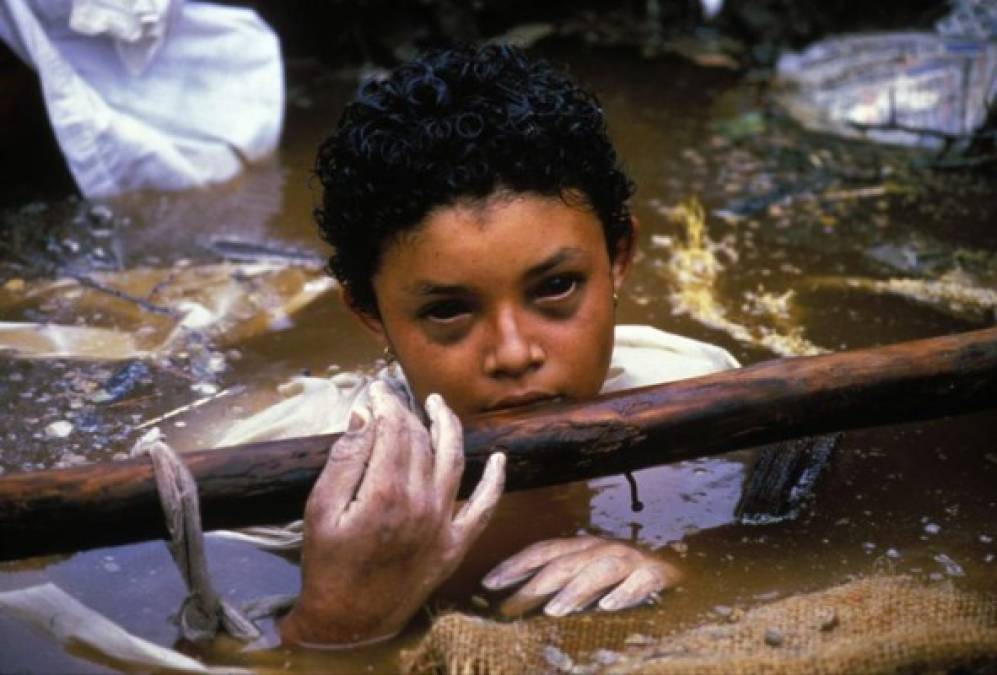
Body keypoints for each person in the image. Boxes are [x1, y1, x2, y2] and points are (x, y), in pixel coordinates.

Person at [216, 43, 739, 648]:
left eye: (556, 288)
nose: (514, 354)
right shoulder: (275, 492)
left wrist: (676, 572)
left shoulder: (701, 394)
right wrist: (335, 623)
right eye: (447, 310)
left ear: (619, 258)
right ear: (370, 314)